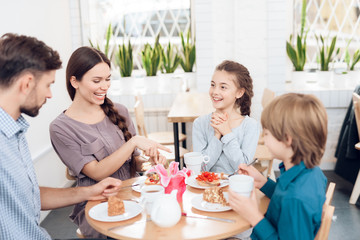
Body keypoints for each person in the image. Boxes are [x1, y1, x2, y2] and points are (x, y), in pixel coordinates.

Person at [0, 33, 123, 240]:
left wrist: (90, 191)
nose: (49, 95)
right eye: (47, 85)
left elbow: (30, 194)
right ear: (27, 83)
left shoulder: (15, 132)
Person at [49, 46, 170, 238]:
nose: (105, 87)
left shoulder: (119, 110)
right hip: (97, 203)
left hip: (133, 194)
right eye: (96, 81)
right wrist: (133, 142)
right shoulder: (61, 128)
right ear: (74, 81)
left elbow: (135, 161)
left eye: (107, 79)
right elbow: (97, 172)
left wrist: (150, 162)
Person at [228, 93, 328, 240]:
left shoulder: (296, 199)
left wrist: (254, 216)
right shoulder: (310, 172)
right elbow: (283, 200)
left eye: (267, 133)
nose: (263, 138)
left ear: (287, 139)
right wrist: (263, 182)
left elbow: (290, 202)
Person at [192, 60, 260, 174]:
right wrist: (217, 136)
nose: (215, 91)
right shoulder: (200, 123)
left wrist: (227, 133)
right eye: (213, 85)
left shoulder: (250, 126)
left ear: (239, 93)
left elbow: (242, 169)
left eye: (223, 87)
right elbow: (200, 169)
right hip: (207, 189)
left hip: (236, 189)